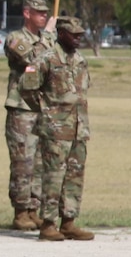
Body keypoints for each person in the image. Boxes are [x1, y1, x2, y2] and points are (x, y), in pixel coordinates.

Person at [36, 16, 94, 242]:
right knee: (53, 177)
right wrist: (47, 113)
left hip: (79, 128)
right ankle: (48, 224)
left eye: (81, 33)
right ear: (61, 34)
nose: (79, 37)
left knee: (75, 176)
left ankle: (68, 221)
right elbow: (27, 87)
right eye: (74, 34)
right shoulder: (47, 59)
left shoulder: (80, 60)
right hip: (55, 131)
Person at [2, 0, 52, 230]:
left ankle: (34, 208)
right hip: (22, 107)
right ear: (26, 13)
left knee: (41, 161)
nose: (44, 16)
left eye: (45, 12)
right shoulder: (15, 39)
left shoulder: (48, 39)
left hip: (42, 106)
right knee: (23, 161)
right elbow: (33, 59)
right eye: (39, 12)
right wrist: (49, 38)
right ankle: (21, 210)